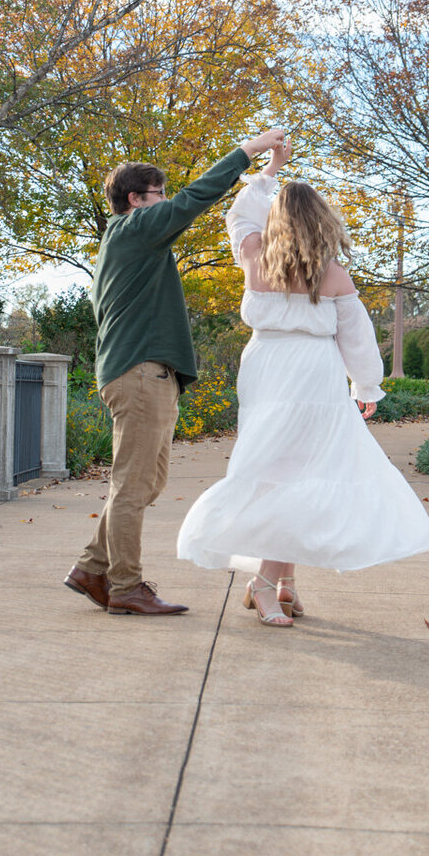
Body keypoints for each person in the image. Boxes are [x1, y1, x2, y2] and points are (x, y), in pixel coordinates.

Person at [176, 142, 429, 624]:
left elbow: (241, 211)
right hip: (313, 374)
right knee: (295, 473)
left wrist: (270, 174)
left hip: (267, 368)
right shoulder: (333, 273)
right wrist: (366, 388)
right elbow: (357, 342)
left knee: (284, 472)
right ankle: (265, 584)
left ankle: (283, 582)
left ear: (275, 220)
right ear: (322, 223)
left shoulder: (254, 253)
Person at [65, 127, 287, 616]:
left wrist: (267, 175)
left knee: (146, 482)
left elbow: (185, 201)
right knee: (132, 484)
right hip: (139, 373)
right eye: (158, 195)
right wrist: (250, 150)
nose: (167, 203)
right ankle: (124, 586)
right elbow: (196, 198)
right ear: (134, 200)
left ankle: (91, 567)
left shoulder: (130, 240)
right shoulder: (134, 229)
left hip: (145, 373)